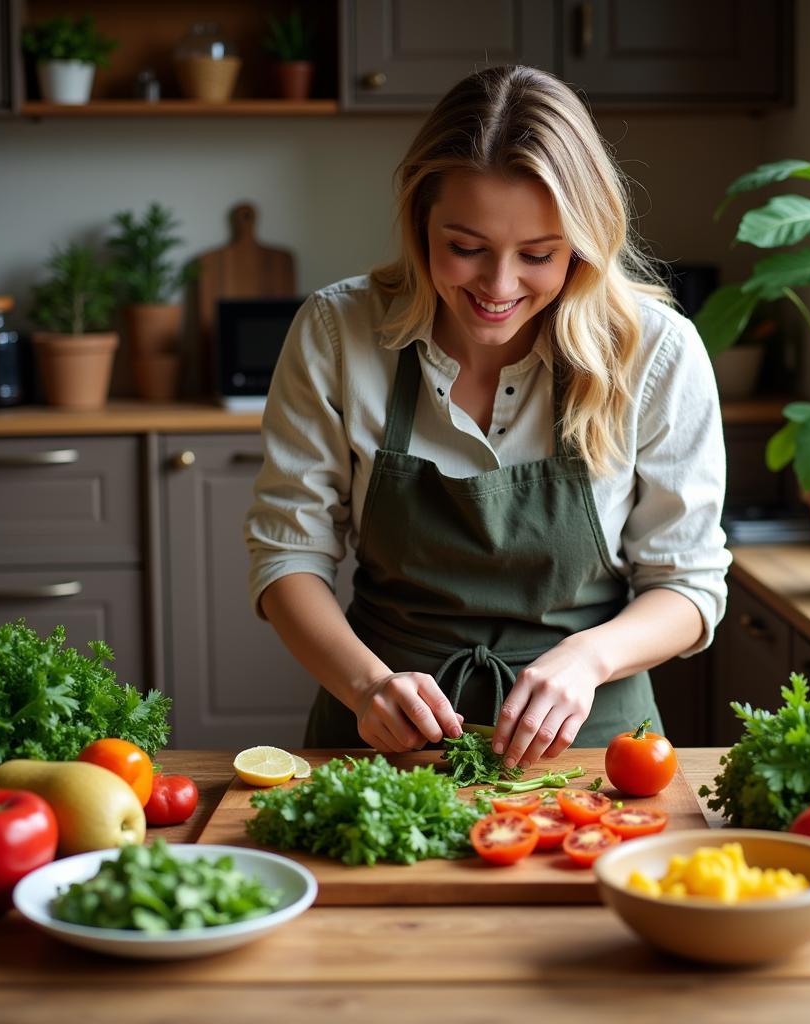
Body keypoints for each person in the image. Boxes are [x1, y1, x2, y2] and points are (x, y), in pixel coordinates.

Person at [244, 64, 730, 770]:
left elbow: (688, 584)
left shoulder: (654, 352)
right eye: (465, 248)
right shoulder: (337, 332)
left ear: (585, 244)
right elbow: (288, 555)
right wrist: (366, 684)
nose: (498, 287)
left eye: (539, 255)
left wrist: (587, 660)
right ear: (419, 222)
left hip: (594, 748)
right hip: (379, 740)